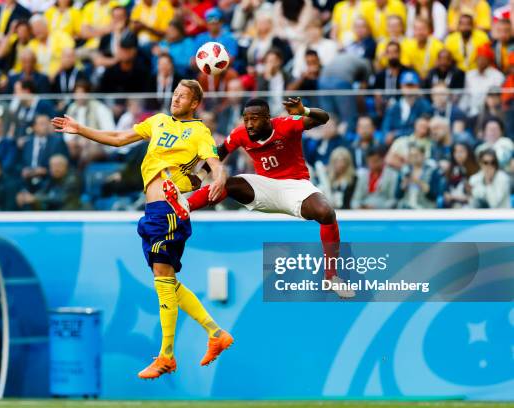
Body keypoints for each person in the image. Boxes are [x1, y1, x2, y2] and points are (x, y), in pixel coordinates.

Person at [52, 79, 233, 379]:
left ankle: (167, 355)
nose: (176, 99)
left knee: (163, 278)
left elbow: (214, 162)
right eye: (175, 94)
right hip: (152, 211)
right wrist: (80, 129)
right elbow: (120, 138)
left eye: (183, 96)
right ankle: (215, 333)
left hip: (170, 209)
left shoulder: (198, 131)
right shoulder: (158, 121)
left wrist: (220, 178)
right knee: (166, 281)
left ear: (194, 103)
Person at [174, 97, 355, 298]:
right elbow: (220, 152)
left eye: (255, 118)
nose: (249, 124)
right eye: (246, 119)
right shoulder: (241, 133)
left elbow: (323, 118)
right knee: (227, 182)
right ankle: (182, 207)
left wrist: (304, 110)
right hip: (264, 187)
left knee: (326, 212)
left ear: (268, 118)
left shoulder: (286, 125)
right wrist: (200, 176)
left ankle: (331, 277)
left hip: (295, 186)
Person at [395, 143, 442, 209]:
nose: (413, 158)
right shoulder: (405, 170)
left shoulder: (432, 171)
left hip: (425, 208)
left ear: (423, 155)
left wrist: (417, 181)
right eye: (411, 155)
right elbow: (397, 196)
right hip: (406, 208)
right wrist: (403, 185)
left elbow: (434, 196)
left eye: (416, 155)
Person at [443, 142, 478, 208]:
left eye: (461, 151)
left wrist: (454, 197)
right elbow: (446, 192)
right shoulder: (450, 170)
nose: (458, 154)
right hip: (452, 206)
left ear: (468, 152)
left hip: (469, 207)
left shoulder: (475, 171)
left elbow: (474, 197)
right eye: (455, 151)